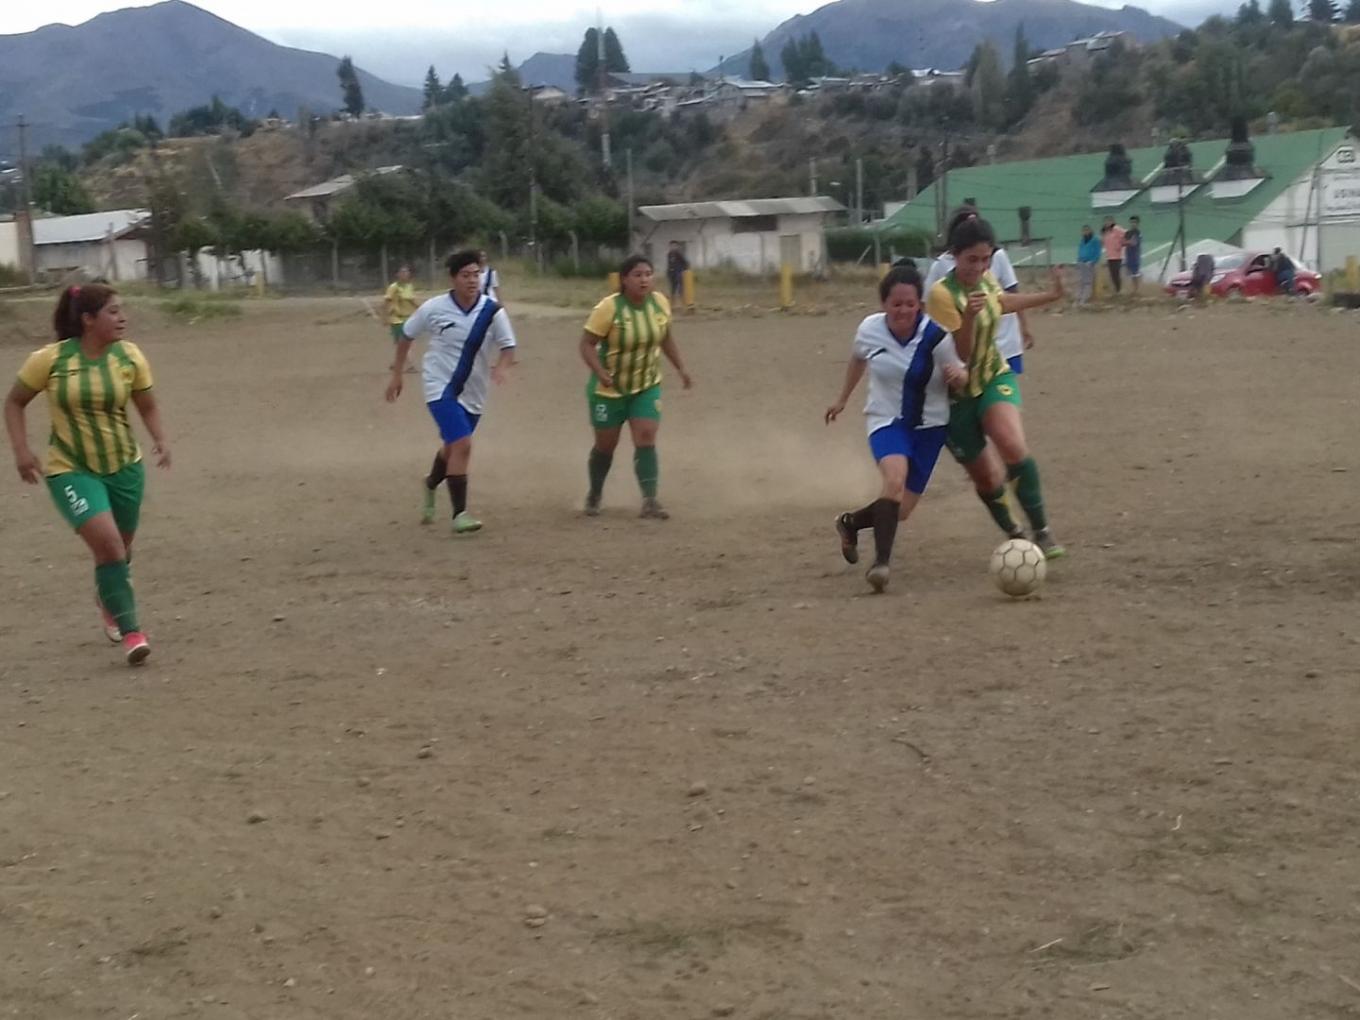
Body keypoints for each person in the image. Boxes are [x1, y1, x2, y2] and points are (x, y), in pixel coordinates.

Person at [4, 284, 171, 665]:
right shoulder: (50, 359)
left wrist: (161, 439)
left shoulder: (129, 357)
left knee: (120, 551)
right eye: (113, 311)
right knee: (109, 547)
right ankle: (132, 632)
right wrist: (21, 450)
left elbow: (146, 404)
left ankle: (107, 593)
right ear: (88, 319)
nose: (123, 318)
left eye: (122, 310)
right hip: (71, 469)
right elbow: (14, 402)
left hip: (125, 466)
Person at [926, 217, 1068, 559]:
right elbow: (959, 355)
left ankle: (1042, 532)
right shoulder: (941, 295)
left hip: (992, 375)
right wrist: (969, 318)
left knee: (1012, 444)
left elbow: (1001, 302)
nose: (979, 267)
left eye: (986, 259)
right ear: (955, 256)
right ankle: (1015, 533)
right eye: (971, 259)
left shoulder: (986, 278)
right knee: (987, 479)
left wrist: (1050, 295)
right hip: (954, 395)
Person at [825, 264, 964, 593]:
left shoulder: (936, 337)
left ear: (920, 305)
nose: (903, 310)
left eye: (910, 304)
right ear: (884, 303)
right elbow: (858, 358)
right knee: (894, 479)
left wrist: (958, 377)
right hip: (886, 419)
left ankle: (850, 523)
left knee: (901, 510)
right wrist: (843, 398)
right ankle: (881, 565)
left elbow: (961, 373)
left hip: (930, 425)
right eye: (896, 303)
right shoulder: (869, 329)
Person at [388, 250, 518, 534]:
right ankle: (460, 515)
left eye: (476, 275)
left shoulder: (492, 311)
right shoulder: (434, 308)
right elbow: (406, 336)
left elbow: (508, 346)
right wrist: (397, 374)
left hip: (474, 392)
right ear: (453, 278)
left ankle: (431, 483)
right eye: (465, 275)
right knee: (463, 444)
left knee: (451, 448)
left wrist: (502, 367)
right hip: (439, 387)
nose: (472, 280)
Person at [579, 254, 694, 519]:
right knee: (605, 447)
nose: (644, 280)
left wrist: (681, 368)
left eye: (648, 274)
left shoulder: (660, 303)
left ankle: (650, 500)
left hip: (646, 385)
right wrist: (600, 372)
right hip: (609, 391)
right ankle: (595, 494)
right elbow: (586, 344)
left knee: (646, 437)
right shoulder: (609, 308)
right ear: (624, 280)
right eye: (637, 275)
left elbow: (665, 338)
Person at [383, 264, 419, 372]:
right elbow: (387, 302)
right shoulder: (393, 287)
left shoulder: (409, 286)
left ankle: (396, 363)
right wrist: (385, 317)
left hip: (408, 318)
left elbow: (412, 301)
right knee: (402, 343)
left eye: (406, 272)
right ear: (397, 274)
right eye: (402, 272)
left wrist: (422, 309)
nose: (405, 274)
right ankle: (409, 365)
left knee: (405, 343)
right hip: (397, 319)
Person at [1076, 226, 1101, 305]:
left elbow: (1097, 252)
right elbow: (1080, 251)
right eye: (1084, 231)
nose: (1085, 232)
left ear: (1090, 231)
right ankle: (1079, 297)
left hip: (1089, 264)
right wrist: (1079, 260)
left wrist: (1092, 261)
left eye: (1087, 230)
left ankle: (1084, 299)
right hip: (1082, 263)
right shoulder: (1083, 240)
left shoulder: (1095, 240)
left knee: (1088, 282)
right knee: (1081, 281)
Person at [1102, 216, 1126, 294]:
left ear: (1113, 222)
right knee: (1112, 274)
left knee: (1116, 272)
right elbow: (1104, 242)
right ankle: (1116, 289)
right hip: (1109, 256)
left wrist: (1121, 244)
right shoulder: (1105, 232)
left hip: (1117, 255)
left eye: (1109, 221)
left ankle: (1119, 289)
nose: (1107, 223)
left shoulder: (1117, 229)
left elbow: (1125, 235)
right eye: (1106, 222)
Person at [1123, 216, 1142, 296]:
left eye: (1135, 222)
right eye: (1132, 222)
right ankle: (1131, 290)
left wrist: (1129, 242)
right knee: (1129, 273)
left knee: (1135, 273)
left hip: (1135, 255)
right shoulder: (1127, 233)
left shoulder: (1138, 232)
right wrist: (1128, 242)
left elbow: (1134, 243)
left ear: (1137, 223)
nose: (1133, 224)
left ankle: (1136, 290)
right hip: (1128, 254)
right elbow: (1123, 242)